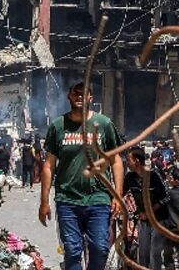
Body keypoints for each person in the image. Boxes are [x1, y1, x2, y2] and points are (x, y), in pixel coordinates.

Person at [39, 81, 124, 270]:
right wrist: (44, 201)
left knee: (100, 247)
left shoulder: (104, 124)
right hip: (67, 198)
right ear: (69, 96)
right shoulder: (58, 126)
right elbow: (49, 165)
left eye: (83, 94)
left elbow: (116, 161)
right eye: (75, 93)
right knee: (72, 250)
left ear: (90, 98)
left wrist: (118, 194)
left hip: (99, 198)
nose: (79, 97)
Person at [123, 147, 171, 269]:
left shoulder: (154, 176)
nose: (127, 163)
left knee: (155, 254)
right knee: (143, 253)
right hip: (144, 221)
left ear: (137, 161)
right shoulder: (129, 177)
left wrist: (150, 212)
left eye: (129, 160)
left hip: (158, 220)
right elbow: (120, 193)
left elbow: (166, 198)